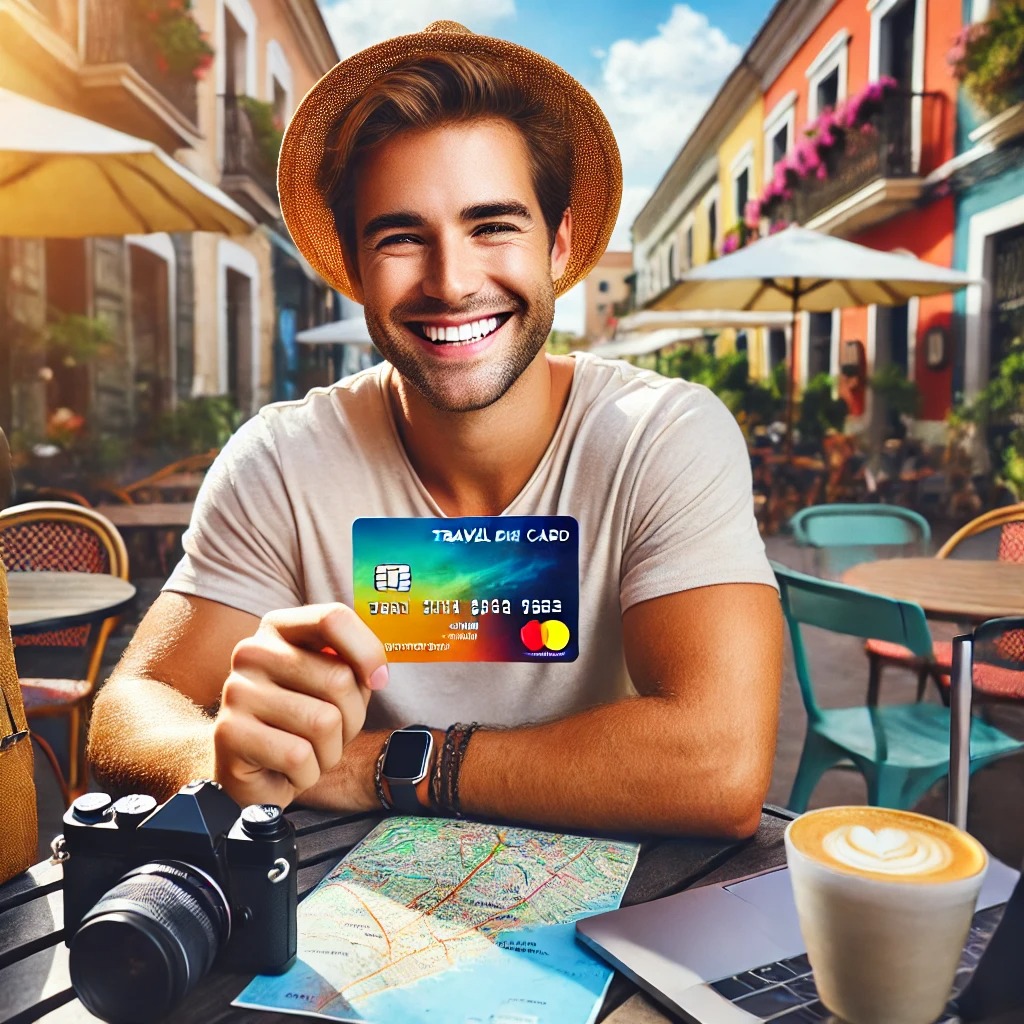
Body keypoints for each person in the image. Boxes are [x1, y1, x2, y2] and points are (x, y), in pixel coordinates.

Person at [89, 22, 782, 838]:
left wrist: (376, 766)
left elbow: (720, 766)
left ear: (558, 245)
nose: (452, 283)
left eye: (493, 226)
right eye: (401, 236)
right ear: (352, 265)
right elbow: (126, 714)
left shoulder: (661, 436)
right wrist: (221, 751)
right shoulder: (280, 459)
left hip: (623, 916)